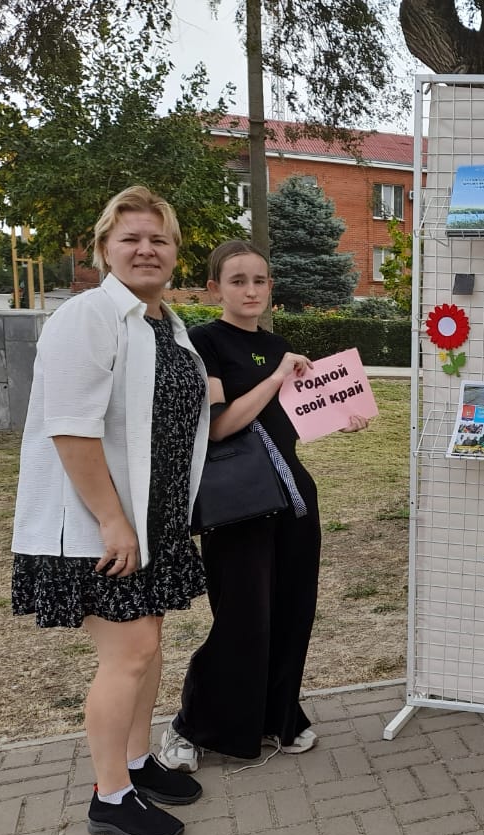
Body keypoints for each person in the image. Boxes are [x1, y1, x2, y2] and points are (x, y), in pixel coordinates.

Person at [11, 185, 209, 835]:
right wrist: (114, 521)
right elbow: (70, 430)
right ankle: (110, 798)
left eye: (159, 238)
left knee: (149, 648)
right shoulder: (87, 317)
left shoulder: (166, 325)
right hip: (100, 523)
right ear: (103, 249)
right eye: (131, 238)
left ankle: (133, 762)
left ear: (175, 253)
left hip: (155, 520)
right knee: (129, 653)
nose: (146, 249)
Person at [159, 240, 370, 772]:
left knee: (291, 613)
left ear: (270, 286)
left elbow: (286, 426)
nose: (250, 290)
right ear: (214, 289)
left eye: (259, 280)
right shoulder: (201, 344)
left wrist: (339, 415)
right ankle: (192, 725)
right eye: (237, 281)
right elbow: (220, 426)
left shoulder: (278, 344)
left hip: (294, 499)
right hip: (237, 504)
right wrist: (276, 377)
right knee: (241, 618)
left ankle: (277, 716)